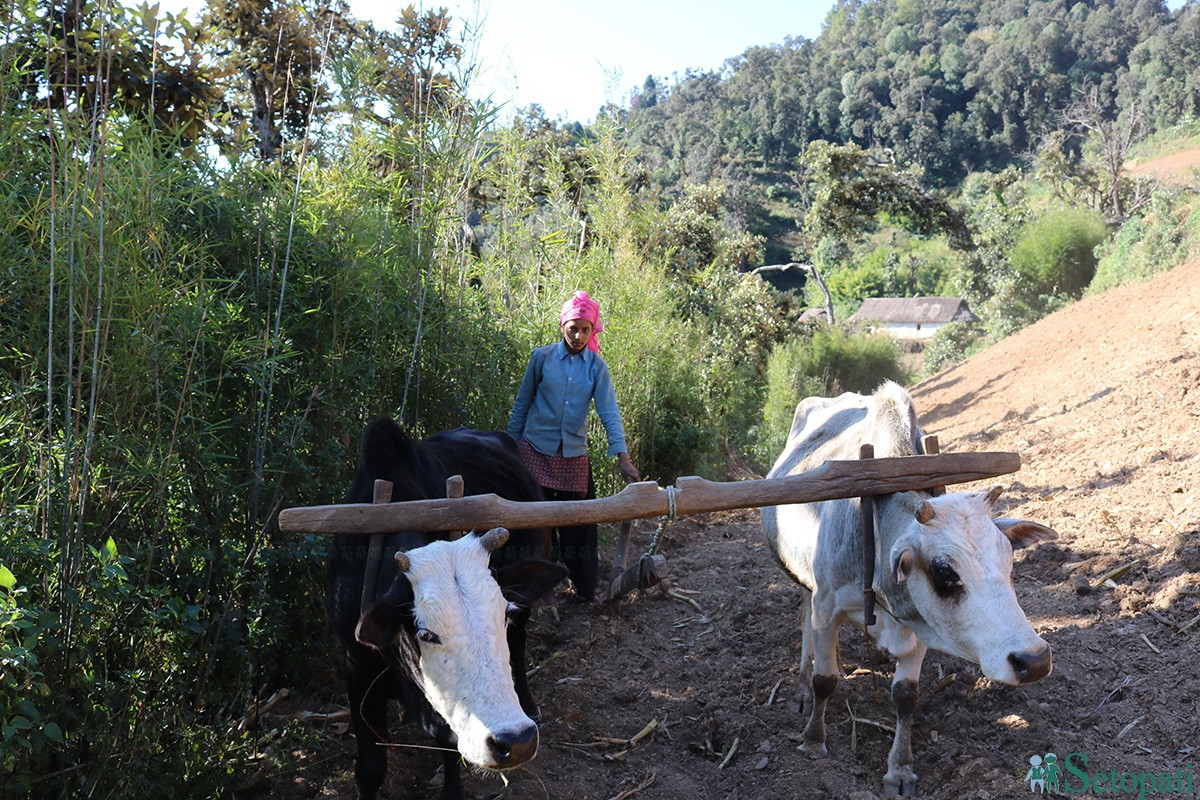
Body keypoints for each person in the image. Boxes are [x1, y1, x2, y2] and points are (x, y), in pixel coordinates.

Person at [507, 290, 639, 601]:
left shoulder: (596, 367)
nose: (578, 336)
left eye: (585, 330)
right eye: (572, 329)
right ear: (561, 325)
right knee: (533, 524)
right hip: (533, 451)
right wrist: (509, 445)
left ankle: (583, 590)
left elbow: (609, 412)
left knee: (579, 524)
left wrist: (623, 456)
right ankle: (533, 590)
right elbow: (522, 403)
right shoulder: (541, 358)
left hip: (573, 457)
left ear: (593, 331)